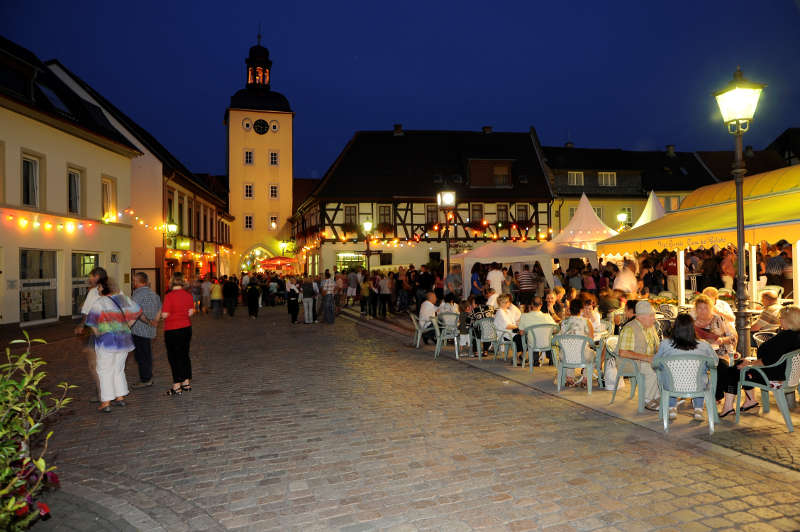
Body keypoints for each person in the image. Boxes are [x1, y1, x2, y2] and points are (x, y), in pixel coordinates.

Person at [84, 270, 142, 413]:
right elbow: (138, 311)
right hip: (124, 340)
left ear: (103, 287)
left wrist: (98, 333)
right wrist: (128, 325)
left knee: (104, 370)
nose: (97, 289)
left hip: (107, 341)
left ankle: (106, 402)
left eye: (98, 287)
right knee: (118, 369)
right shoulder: (123, 299)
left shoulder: (100, 302)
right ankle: (120, 397)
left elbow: (91, 322)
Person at [652, 313, 718, 421]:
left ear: (675, 327)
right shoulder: (704, 345)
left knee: (668, 374)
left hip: (671, 385)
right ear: (693, 328)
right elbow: (715, 362)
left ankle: (672, 407)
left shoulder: (665, 344)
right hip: (697, 385)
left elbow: (655, 363)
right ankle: (698, 409)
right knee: (701, 375)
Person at [735, 306, 800, 412]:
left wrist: (749, 364)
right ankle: (750, 401)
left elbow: (767, 361)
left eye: (781, 317)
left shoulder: (784, 337)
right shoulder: (796, 335)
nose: (779, 320)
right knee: (743, 365)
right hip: (791, 377)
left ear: (789, 320)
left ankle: (750, 401)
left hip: (775, 376)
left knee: (738, 368)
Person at [618, 300, 661, 411]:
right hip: (628, 363)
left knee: (665, 365)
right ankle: (648, 400)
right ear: (641, 317)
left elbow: (657, 346)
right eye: (651, 316)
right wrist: (647, 358)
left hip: (643, 361)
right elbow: (623, 352)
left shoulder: (651, 327)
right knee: (651, 367)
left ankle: (659, 397)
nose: (654, 318)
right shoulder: (629, 328)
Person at [161, 272, 195, 396]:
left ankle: (176, 385)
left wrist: (166, 314)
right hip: (186, 328)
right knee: (185, 354)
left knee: (174, 357)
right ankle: (186, 382)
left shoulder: (169, 296)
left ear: (171, 282)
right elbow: (191, 312)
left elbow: (164, 314)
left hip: (172, 329)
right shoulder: (188, 295)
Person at [74, 267, 103, 403]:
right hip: (112, 331)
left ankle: (101, 392)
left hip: (95, 330)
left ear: (96, 276)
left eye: (91, 276)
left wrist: (81, 325)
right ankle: (113, 391)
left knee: (94, 365)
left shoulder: (93, 292)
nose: (88, 279)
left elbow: (86, 311)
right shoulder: (115, 291)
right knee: (109, 364)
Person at [130, 272, 161, 388]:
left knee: (141, 356)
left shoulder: (137, 295)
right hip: (150, 331)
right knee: (146, 354)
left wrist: (148, 321)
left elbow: (135, 312)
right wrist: (155, 322)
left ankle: (145, 379)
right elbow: (160, 309)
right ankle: (147, 376)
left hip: (139, 330)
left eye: (134, 280)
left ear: (139, 282)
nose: (133, 282)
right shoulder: (154, 294)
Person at [518, 297, 556, 366]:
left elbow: (521, 333)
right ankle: (551, 357)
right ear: (541, 305)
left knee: (531, 338)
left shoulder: (524, 316)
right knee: (545, 337)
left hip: (533, 343)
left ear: (531, 305)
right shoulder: (547, 316)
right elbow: (555, 329)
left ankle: (535, 359)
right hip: (547, 343)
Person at [494, 294, 523, 360]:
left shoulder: (508, 311)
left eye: (507, 302)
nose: (507, 303)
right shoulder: (500, 312)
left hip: (510, 332)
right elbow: (507, 326)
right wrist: (518, 327)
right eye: (504, 302)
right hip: (503, 334)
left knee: (525, 336)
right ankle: (517, 355)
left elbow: (514, 322)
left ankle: (521, 354)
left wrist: (520, 324)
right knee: (520, 337)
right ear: (500, 303)